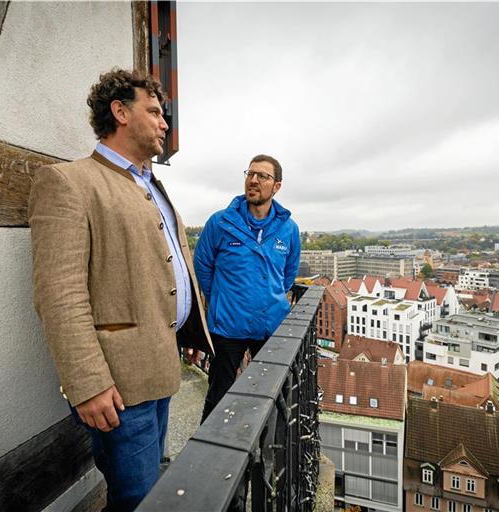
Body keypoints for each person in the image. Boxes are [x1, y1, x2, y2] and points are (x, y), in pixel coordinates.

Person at [29, 68, 212, 512]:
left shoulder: (152, 184)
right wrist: (87, 384)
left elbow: (165, 269)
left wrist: (186, 334)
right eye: (154, 111)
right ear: (120, 112)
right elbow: (60, 294)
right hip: (117, 386)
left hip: (161, 367)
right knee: (136, 499)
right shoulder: (69, 182)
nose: (164, 123)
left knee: (151, 490)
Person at [194, 154, 300, 423]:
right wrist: (222, 299)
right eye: (250, 174)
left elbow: (288, 275)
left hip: (270, 327)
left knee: (271, 397)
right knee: (218, 396)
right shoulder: (220, 223)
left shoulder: (288, 229)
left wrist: (268, 298)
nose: (253, 180)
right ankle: (209, 457)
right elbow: (203, 267)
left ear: (276, 186)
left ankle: (262, 456)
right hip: (228, 328)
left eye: (262, 176)